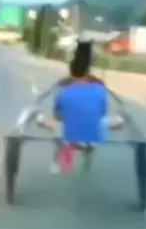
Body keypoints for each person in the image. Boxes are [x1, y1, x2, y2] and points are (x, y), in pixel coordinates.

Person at [46, 40, 109, 172]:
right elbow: (102, 113)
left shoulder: (64, 88)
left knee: (54, 123)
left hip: (67, 134)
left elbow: (57, 115)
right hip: (92, 134)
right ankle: (86, 148)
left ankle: (56, 160)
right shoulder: (98, 86)